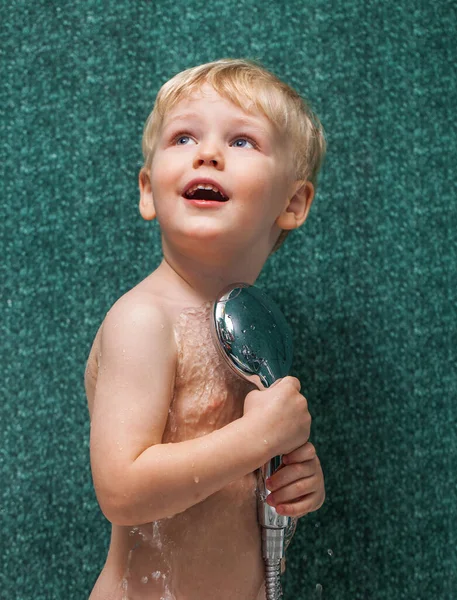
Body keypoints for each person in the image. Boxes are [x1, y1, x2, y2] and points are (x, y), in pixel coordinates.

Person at [85, 58, 326, 600]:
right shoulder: (143, 321)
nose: (208, 152)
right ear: (148, 190)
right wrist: (257, 437)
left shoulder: (253, 328)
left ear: (292, 202)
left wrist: (292, 483)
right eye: (184, 136)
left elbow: (234, 482)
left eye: (242, 141)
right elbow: (122, 490)